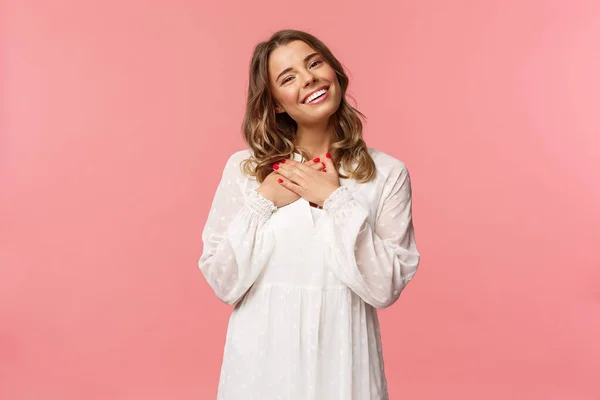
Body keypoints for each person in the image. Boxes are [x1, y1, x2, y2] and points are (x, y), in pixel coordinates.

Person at [198, 29, 421, 400]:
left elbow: (385, 287)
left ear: (334, 71)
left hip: (344, 362)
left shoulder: (387, 173)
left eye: (314, 63)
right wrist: (262, 201)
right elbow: (223, 281)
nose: (309, 79)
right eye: (288, 78)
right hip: (261, 366)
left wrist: (335, 200)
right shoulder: (246, 170)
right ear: (277, 104)